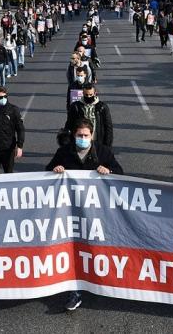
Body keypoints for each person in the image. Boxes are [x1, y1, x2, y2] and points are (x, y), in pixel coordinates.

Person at [46, 119, 123, 311]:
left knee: (93, 247)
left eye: (86, 135)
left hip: (96, 212)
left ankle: (100, 280)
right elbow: (47, 172)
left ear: (92, 135)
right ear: (74, 135)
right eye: (79, 135)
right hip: (70, 212)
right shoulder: (64, 152)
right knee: (73, 248)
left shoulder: (103, 152)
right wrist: (55, 170)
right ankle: (75, 291)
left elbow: (120, 173)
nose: (82, 138)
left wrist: (109, 170)